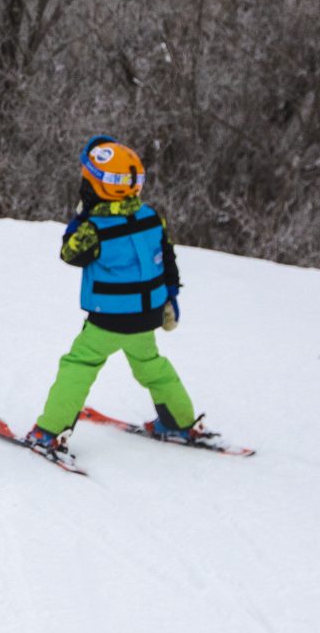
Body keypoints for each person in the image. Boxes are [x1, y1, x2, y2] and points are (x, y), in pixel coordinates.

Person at [22, 136, 203, 455]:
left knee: (78, 365)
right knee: (151, 365)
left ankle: (50, 431)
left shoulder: (93, 228)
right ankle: (180, 422)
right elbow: (168, 258)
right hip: (147, 314)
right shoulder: (151, 217)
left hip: (108, 317)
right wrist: (171, 297)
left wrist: (81, 218)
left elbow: (70, 254)